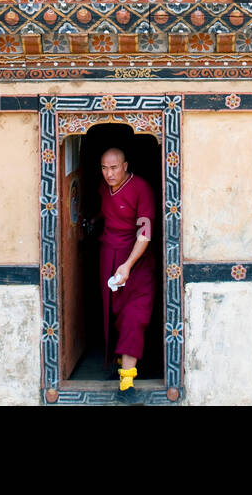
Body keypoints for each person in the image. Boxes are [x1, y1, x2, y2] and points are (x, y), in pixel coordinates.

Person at [97, 146, 156, 401]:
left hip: (137, 260)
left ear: (125, 166)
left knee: (135, 314)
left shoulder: (141, 188)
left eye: (113, 168)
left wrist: (129, 264)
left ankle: (127, 382)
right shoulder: (104, 189)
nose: (108, 174)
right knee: (114, 311)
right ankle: (119, 363)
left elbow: (145, 232)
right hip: (109, 254)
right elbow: (102, 213)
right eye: (104, 168)